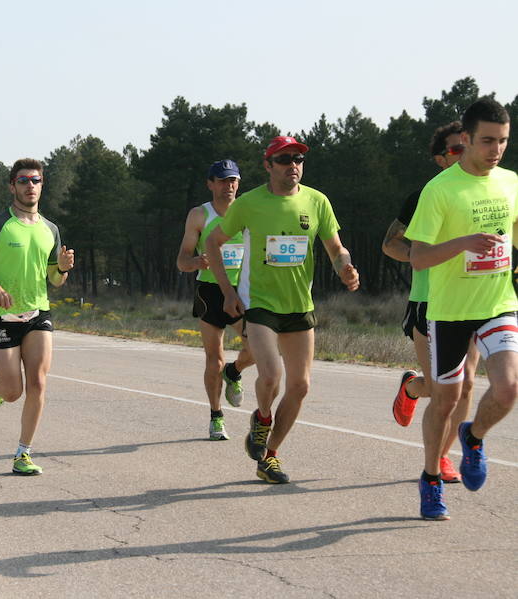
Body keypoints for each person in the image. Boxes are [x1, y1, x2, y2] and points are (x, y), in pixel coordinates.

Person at [206, 136, 359, 484]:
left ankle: (269, 456)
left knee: (301, 386)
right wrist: (228, 292)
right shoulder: (249, 204)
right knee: (271, 375)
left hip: (299, 307)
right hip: (260, 304)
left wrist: (346, 268)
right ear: (268, 165)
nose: (294, 165)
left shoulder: (317, 201)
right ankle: (262, 418)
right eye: (285, 159)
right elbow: (213, 244)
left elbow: (336, 248)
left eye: (299, 159)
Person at [406, 98, 518, 520]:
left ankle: (474, 437)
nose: (496, 150)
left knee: (508, 389)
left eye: (503, 141)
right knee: (446, 399)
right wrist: (463, 244)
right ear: (466, 139)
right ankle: (431, 478)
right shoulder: (440, 190)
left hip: (498, 304)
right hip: (450, 311)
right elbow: (417, 257)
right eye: (488, 141)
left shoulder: (510, 183)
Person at [0, 158, 75, 476]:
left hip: (38, 312)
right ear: (12, 186)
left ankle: (23, 453)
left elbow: (54, 279)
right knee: (13, 393)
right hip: (2, 315)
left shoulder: (50, 229)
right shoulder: (1, 224)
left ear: (42, 185)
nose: (30, 186)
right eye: (24, 180)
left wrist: (63, 269)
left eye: (36, 180)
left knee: (38, 382)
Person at [382, 121, 479, 483]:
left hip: (473, 299)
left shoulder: (485, 194)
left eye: (465, 146)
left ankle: (440, 458)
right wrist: (425, 255)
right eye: (454, 150)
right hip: (429, 300)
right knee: (441, 389)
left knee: (466, 383)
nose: (462, 154)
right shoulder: (425, 196)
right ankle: (411, 387)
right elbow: (390, 243)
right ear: (440, 159)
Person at [176, 159, 255, 440]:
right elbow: (181, 261)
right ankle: (216, 416)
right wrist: (196, 261)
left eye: (233, 180)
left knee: (258, 349)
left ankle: (234, 372)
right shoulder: (200, 215)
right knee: (214, 360)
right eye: (222, 180)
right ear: (210, 184)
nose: (228, 186)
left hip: (242, 290)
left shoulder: (248, 211)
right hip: (209, 292)